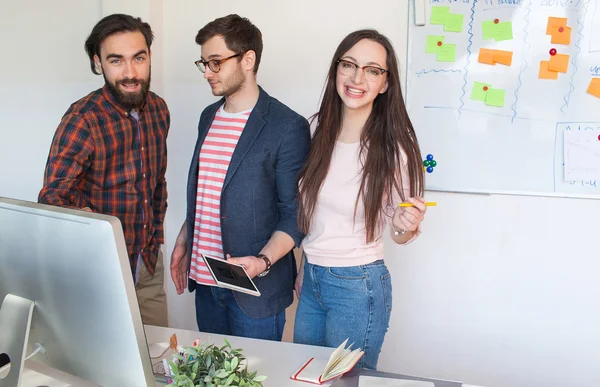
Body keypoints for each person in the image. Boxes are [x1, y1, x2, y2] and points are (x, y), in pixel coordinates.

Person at [170, 14, 310, 341]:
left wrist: (262, 261)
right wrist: (183, 239)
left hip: (255, 292)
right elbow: (207, 192)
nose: (207, 72)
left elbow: (295, 215)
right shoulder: (208, 117)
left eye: (216, 62)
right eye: (203, 63)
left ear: (248, 60)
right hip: (205, 282)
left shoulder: (287, 126)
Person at [293, 29, 428, 369]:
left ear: (385, 83)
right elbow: (312, 215)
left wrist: (402, 225)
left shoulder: (393, 148)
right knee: (305, 376)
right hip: (312, 278)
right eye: (349, 65)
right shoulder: (317, 131)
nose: (357, 78)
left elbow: (403, 233)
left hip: (357, 285)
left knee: (346, 382)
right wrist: (303, 267)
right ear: (336, 70)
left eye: (372, 70)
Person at [38, 14, 170, 327]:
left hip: (148, 266)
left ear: (149, 56)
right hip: (100, 274)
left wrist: (157, 240)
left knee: (160, 365)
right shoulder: (82, 119)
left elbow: (156, 184)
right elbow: (53, 199)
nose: (130, 72)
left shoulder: (159, 109)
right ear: (98, 63)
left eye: (139, 58)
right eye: (116, 61)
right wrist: (92, 230)